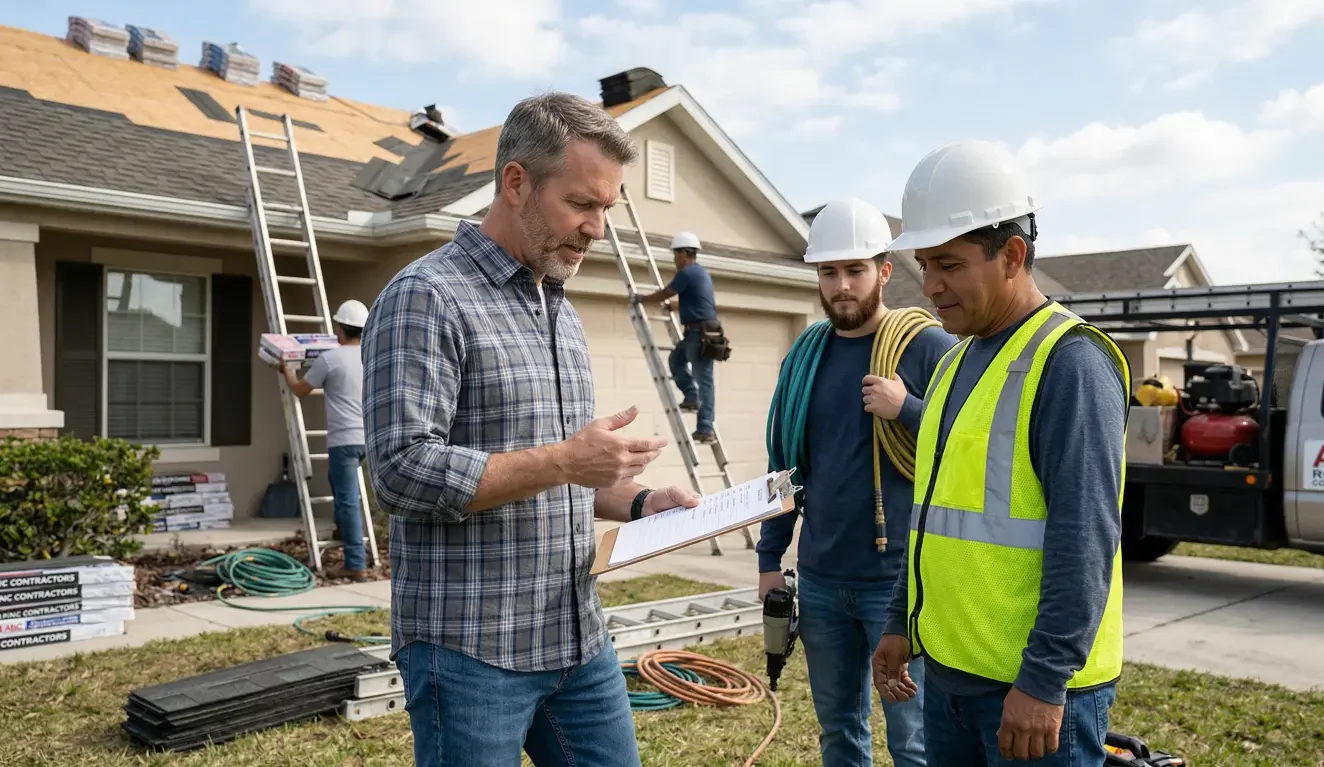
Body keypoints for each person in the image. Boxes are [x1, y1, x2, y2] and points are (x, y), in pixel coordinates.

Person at [360, 91, 702, 767]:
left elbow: (565, 471)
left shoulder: (558, 308)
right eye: (582, 204)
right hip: (469, 649)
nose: (597, 228)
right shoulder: (427, 296)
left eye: (607, 207)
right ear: (516, 182)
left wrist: (640, 502)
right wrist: (566, 462)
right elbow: (399, 469)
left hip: (574, 638)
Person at [870, 140, 1130, 765]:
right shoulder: (957, 359)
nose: (929, 286)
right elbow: (932, 512)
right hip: (953, 673)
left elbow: (1085, 537)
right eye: (923, 264)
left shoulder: (1069, 363)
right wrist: (900, 619)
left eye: (949, 265)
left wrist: (1043, 679)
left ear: (1012, 254)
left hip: (1033, 694)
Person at [757, 197, 956, 767]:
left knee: (913, 739)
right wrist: (771, 559)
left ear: (884, 271)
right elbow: (785, 467)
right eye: (828, 272)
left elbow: (972, 451)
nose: (841, 286)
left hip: (898, 585)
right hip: (820, 581)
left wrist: (908, 410)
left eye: (855, 270)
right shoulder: (805, 358)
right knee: (839, 731)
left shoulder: (928, 348)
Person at [280, 298, 372, 581]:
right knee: (342, 490)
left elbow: (300, 390)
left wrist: (286, 369)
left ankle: (355, 564)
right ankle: (343, 530)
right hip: (369, 437)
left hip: (344, 440)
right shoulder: (371, 355)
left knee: (347, 500)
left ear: (340, 330)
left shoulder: (330, 359)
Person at [634, 231, 720, 443]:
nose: (674, 259)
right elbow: (697, 302)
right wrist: (675, 307)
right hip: (699, 332)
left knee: (705, 382)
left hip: (699, 334)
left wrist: (643, 299)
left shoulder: (687, 273)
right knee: (676, 360)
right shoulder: (700, 273)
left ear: (684, 253)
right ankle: (691, 396)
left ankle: (706, 428)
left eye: (675, 254)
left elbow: (666, 292)